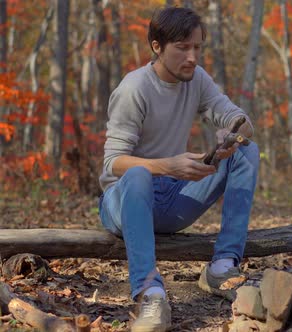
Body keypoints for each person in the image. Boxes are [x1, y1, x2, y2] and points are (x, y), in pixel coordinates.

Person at [98, 6, 259, 332]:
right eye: (182, 47)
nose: (192, 57)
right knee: (139, 174)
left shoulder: (196, 79)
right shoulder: (134, 88)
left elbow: (242, 121)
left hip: (173, 198)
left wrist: (232, 131)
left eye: (197, 47)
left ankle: (223, 266)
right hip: (123, 201)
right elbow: (112, 163)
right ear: (157, 46)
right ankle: (150, 292)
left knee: (247, 149)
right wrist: (167, 165)